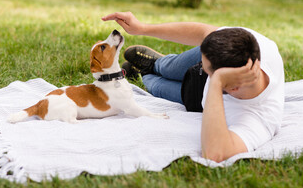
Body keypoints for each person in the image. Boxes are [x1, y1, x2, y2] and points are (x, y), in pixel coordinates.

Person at [101, 11, 284, 162]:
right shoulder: (252, 44)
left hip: (197, 97)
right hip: (217, 69)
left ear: (230, 86)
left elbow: (215, 153)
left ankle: (144, 73)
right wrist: (142, 28)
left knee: (156, 86)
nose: (201, 69)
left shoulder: (260, 118)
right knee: (169, 66)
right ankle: (158, 64)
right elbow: (203, 32)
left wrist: (216, 82)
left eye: (207, 71)